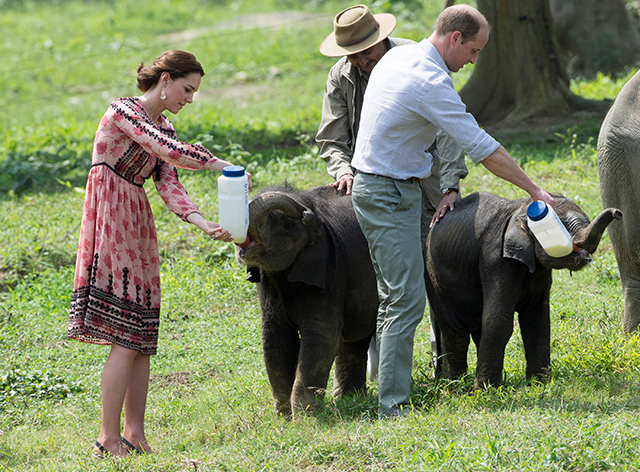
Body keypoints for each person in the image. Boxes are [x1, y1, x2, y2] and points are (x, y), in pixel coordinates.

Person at [350, 5, 556, 418]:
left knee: (403, 293)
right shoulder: (428, 80)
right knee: (404, 298)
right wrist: (534, 189)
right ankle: (392, 405)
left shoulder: (400, 55)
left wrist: (448, 184)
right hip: (384, 191)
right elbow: (482, 147)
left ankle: (400, 387)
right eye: (474, 50)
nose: (473, 60)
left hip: (398, 187)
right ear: (455, 38)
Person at [68, 50, 251, 457]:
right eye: (187, 89)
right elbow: (166, 150)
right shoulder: (124, 112)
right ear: (164, 80)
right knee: (124, 332)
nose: (190, 98)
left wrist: (202, 222)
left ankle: (135, 433)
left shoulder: (163, 126)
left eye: (195, 92)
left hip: (135, 218)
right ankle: (107, 438)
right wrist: (217, 164)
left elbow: (169, 184)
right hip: (111, 214)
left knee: (141, 331)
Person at [316, 4, 469, 379]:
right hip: (373, 186)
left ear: (382, 39)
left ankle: (445, 366)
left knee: (437, 272)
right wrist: (344, 171)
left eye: (366, 51)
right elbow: (332, 139)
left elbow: (450, 130)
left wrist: (450, 184)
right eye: (352, 54)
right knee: (384, 280)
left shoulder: (414, 60)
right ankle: (382, 373)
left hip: (425, 183)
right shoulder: (342, 75)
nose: (361, 59)